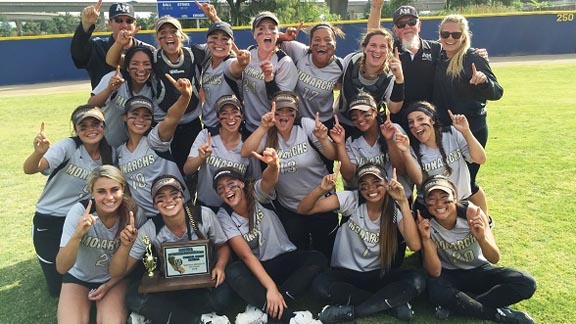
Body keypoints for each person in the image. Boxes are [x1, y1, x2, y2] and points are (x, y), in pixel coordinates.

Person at [297, 163, 424, 323]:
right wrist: (321, 190)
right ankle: (390, 303)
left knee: (417, 280)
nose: (371, 189)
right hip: (345, 273)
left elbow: (415, 245)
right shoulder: (351, 199)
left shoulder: (393, 209)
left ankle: (353, 311)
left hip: (377, 274)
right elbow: (303, 209)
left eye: (377, 184)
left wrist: (404, 203)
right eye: (364, 185)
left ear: (386, 184)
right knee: (319, 286)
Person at [214, 148, 326, 324]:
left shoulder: (256, 193)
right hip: (259, 268)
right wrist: (270, 287)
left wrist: (274, 165)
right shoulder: (224, 215)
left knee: (317, 258)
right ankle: (290, 317)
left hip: (284, 260)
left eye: (231, 184)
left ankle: (263, 308)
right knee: (234, 270)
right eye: (221, 189)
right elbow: (246, 255)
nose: (227, 190)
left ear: (242, 184)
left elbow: (268, 180)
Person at [109, 175, 233, 324]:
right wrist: (125, 246)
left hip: (203, 283)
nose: (168, 201)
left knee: (223, 296)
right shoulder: (151, 228)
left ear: (182, 197)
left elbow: (223, 246)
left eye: (174, 196)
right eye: (161, 198)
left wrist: (220, 267)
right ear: (155, 205)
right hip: (170, 286)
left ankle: (163, 314)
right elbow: (120, 270)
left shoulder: (203, 215)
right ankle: (197, 320)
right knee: (133, 297)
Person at [417, 175, 536, 323]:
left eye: (444, 196)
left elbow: (494, 258)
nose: (439, 204)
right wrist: (426, 239)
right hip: (449, 274)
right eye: (432, 199)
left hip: (478, 269)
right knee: (435, 289)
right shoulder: (426, 221)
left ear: (454, 197)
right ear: (426, 203)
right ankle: (497, 314)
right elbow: (435, 272)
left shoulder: (472, 213)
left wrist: (481, 238)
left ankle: (460, 305)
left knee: (526, 282)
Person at [24, 105, 113, 297]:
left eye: (96, 124)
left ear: (104, 126)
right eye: (84, 126)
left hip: (79, 221)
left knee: (81, 276)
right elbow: (30, 169)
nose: (91, 129)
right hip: (50, 220)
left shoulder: (109, 154)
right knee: (57, 287)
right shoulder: (68, 147)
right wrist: (38, 153)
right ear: (75, 129)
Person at [241, 91, 338, 258]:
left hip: (321, 203)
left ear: (296, 113)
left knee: (326, 253)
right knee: (298, 256)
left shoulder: (305, 126)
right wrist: (263, 126)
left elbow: (332, 155)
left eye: (289, 111)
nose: (283, 115)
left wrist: (323, 139)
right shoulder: (269, 134)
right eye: (278, 112)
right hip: (290, 208)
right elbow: (245, 152)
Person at [433, 14, 504, 213]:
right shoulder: (439, 55)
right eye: (445, 33)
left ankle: (485, 224)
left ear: (464, 36)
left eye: (455, 34)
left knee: (468, 183)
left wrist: (483, 81)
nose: (450, 38)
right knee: (452, 182)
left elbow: (497, 92)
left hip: (471, 130)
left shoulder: (472, 58)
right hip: (446, 132)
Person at [55, 165, 142, 323]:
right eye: (101, 191)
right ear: (92, 192)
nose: (109, 197)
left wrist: (125, 245)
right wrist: (77, 235)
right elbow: (61, 267)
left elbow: (120, 270)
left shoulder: (133, 214)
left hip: (113, 278)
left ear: (123, 189)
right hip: (78, 276)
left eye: (114, 189)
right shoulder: (79, 212)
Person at [116, 74, 193, 218]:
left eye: (146, 115)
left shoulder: (154, 139)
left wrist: (185, 97)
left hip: (179, 210)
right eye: (135, 114)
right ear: (125, 117)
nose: (141, 119)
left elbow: (171, 118)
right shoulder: (119, 152)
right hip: (150, 220)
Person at [330, 91, 421, 196]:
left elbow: (401, 170)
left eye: (365, 113)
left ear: (375, 112)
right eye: (354, 116)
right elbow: (348, 175)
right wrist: (340, 144)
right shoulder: (352, 141)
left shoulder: (394, 129)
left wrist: (390, 140)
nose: (360, 119)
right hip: (370, 200)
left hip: (397, 197)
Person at [404, 101, 486, 214]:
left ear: (432, 120)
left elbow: (480, 159)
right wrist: (405, 152)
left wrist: (466, 132)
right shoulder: (412, 149)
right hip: (431, 209)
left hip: (461, 203)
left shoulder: (452, 133)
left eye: (420, 119)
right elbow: (417, 180)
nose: (415, 125)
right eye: (411, 122)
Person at [367, 3, 441, 126]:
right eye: (401, 25)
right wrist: (376, 7)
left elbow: (456, 47)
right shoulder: (389, 50)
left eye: (412, 22)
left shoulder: (436, 49)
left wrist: (476, 55)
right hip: (399, 122)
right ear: (395, 30)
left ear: (419, 25)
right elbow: (372, 36)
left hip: (430, 120)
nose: (407, 27)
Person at [184, 95, 260, 212]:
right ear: (218, 117)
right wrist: (201, 158)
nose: (230, 118)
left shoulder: (248, 144)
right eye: (224, 113)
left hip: (234, 209)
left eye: (235, 112)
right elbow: (187, 170)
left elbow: (254, 179)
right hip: (205, 206)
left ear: (242, 115)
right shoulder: (206, 135)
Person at [71, 1, 153, 89]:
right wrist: (86, 25)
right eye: (119, 20)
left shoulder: (147, 50)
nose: (124, 25)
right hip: (104, 102)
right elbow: (78, 56)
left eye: (129, 21)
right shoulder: (98, 46)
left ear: (135, 24)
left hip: (140, 101)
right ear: (110, 23)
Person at [335, 28, 404, 132]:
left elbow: (394, 108)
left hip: (369, 127)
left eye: (383, 47)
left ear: (389, 51)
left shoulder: (390, 74)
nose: (377, 50)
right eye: (373, 45)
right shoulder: (351, 60)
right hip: (341, 123)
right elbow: (335, 85)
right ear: (364, 47)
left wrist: (399, 78)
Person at [278, 22, 345, 127]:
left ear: (335, 44)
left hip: (323, 123)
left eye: (328, 40)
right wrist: (284, 36)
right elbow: (269, 37)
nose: (322, 44)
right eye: (317, 40)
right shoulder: (301, 52)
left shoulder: (340, 66)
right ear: (310, 43)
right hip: (298, 121)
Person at [89, 46, 156, 148]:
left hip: (132, 151)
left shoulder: (154, 87)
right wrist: (109, 90)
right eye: (135, 64)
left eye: (146, 64)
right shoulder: (115, 78)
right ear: (127, 67)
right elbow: (90, 105)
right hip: (105, 145)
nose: (141, 69)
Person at [242, 11, 298, 133]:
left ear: (278, 34)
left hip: (272, 129)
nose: (267, 32)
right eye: (261, 28)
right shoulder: (250, 53)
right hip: (249, 126)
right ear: (254, 35)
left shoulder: (284, 62)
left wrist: (269, 78)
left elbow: (282, 106)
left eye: (272, 28)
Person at [200, 21, 251, 130]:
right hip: (208, 125)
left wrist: (242, 63)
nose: (219, 43)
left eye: (224, 39)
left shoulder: (229, 63)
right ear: (207, 41)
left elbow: (235, 67)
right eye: (214, 38)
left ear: (231, 43)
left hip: (229, 125)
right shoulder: (207, 64)